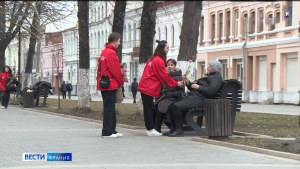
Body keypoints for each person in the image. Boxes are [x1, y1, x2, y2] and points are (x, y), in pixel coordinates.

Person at [137, 40, 183, 136]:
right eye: (167, 48)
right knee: (149, 108)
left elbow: (156, 73)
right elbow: (163, 77)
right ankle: (150, 129)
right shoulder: (159, 60)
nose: (168, 50)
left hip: (146, 85)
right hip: (148, 86)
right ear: (162, 48)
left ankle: (150, 128)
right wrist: (176, 83)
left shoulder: (153, 59)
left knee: (149, 108)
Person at [164, 61, 223, 137]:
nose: (207, 67)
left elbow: (211, 91)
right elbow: (194, 87)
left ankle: (179, 129)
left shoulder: (216, 78)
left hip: (202, 100)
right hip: (195, 97)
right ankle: (173, 128)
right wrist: (188, 82)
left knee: (176, 107)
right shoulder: (210, 76)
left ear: (214, 69)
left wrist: (198, 87)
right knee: (171, 106)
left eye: (209, 66)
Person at [97, 32, 124, 138]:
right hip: (110, 84)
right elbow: (115, 70)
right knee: (109, 109)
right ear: (114, 41)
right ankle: (107, 131)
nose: (119, 43)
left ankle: (112, 130)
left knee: (110, 108)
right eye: (119, 41)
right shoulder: (111, 53)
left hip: (104, 83)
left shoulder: (104, 52)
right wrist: (120, 82)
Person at [153, 59, 185, 133]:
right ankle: (153, 127)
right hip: (163, 97)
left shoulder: (179, 77)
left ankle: (158, 128)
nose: (170, 66)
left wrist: (172, 94)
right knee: (154, 107)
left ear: (175, 66)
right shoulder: (164, 76)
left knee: (161, 106)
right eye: (168, 65)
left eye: (172, 65)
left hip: (172, 98)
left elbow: (181, 91)